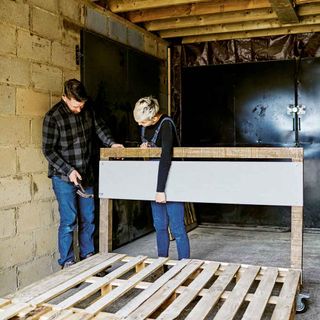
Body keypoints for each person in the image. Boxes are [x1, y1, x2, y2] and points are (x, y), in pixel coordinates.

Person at [42, 79, 123, 268]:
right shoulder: (52, 117)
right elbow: (48, 150)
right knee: (69, 220)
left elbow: (100, 129)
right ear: (65, 98)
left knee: (89, 217)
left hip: (86, 173)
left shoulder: (88, 110)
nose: (79, 110)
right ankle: (68, 262)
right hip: (63, 177)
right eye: (75, 106)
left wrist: (112, 144)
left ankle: (89, 257)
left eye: (81, 105)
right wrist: (68, 170)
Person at [133, 96, 190, 260]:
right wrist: (145, 148)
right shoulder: (145, 126)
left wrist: (160, 190)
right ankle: (161, 262)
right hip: (155, 178)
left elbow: (166, 157)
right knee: (159, 225)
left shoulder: (166, 124)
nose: (140, 125)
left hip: (171, 179)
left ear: (153, 117)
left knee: (177, 227)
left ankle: (184, 266)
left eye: (142, 122)